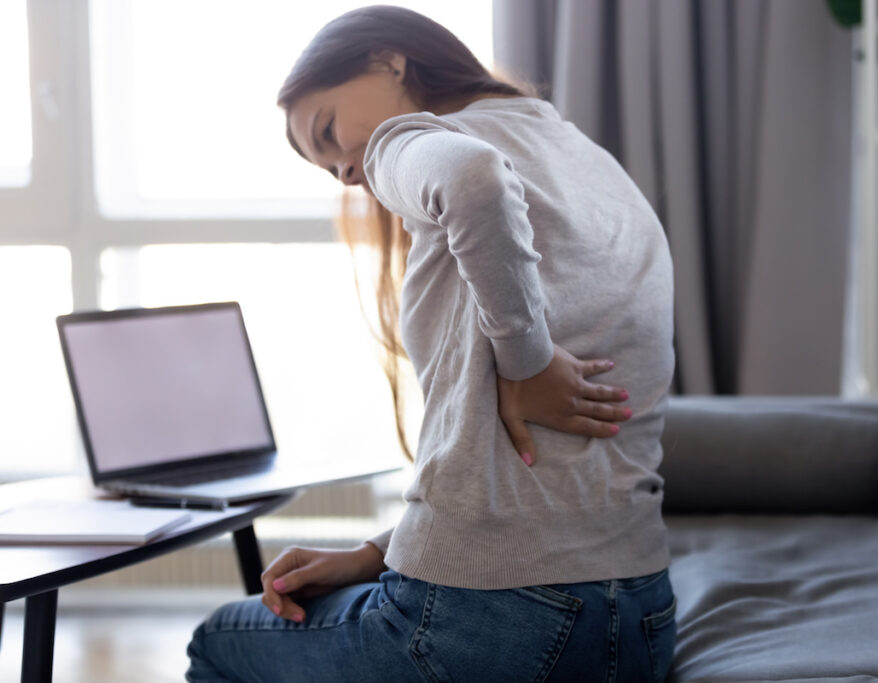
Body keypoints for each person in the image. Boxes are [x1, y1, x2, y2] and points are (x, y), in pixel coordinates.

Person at [186, 5, 676, 681]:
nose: (348, 175)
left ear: (389, 61)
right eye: (329, 170)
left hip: (494, 622)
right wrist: (374, 552)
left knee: (217, 640)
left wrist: (527, 360)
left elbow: (471, 179)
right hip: (641, 618)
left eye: (329, 133)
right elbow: (536, 468)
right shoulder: (588, 164)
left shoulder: (405, 141)